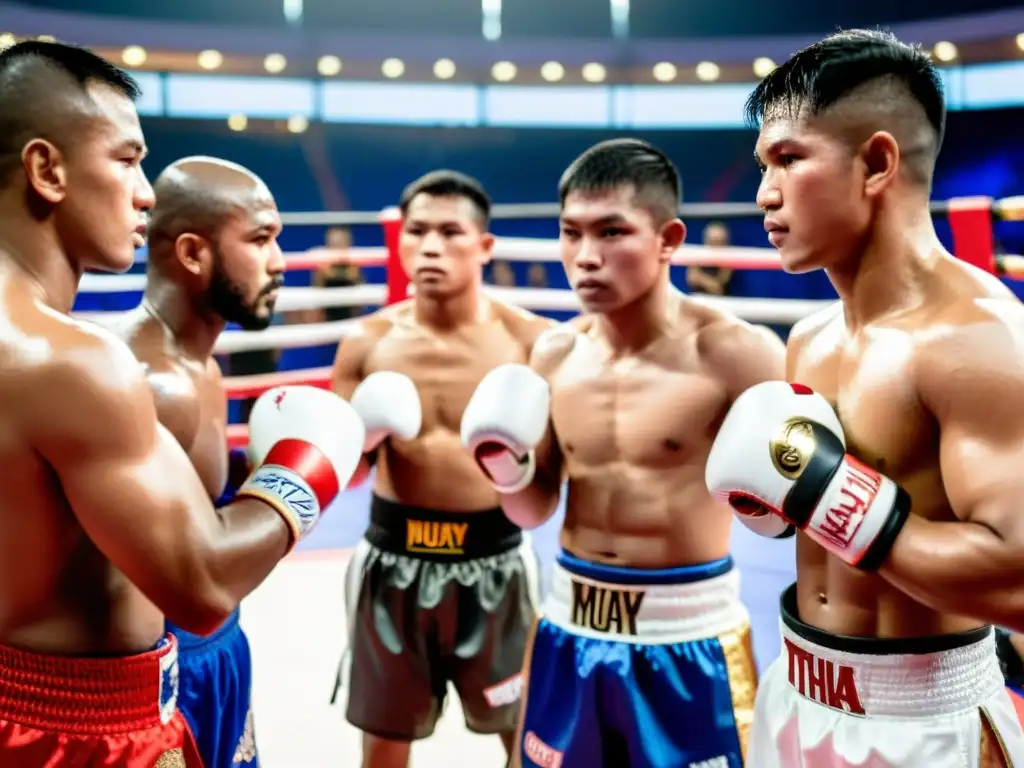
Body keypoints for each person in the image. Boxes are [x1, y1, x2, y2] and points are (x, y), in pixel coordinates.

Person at [0, 40, 363, 766]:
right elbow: (203, 585)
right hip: (81, 726)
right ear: (47, 170)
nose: (144, 192)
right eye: (127, 159)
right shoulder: (75, 360)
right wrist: (309, 463)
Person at [705, 29, 1024, 767]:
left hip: (923, 722)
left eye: (788, 158)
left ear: (877, 163)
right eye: (762, 165)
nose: (764, 194)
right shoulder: (810, 340)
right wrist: (781, 502)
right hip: (797, 688)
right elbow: (813, 532)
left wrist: (829, 496)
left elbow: (1016, 580)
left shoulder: (977, 341)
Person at [461, 138, 787, 768]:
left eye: (612, 232)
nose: (586, 257)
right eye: (570, 233)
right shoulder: (553, 355)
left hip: (686, 632)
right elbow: (532, 510)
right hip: (570, 621)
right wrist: (505, 465)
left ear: (668, 239)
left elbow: (781, 522)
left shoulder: (738, 355)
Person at [330, 169, 552, 768]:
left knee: (527, 735)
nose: (429, 246)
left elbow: (556, 478)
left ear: (484, 245)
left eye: (450, 232)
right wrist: (363, 437)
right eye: (417, 231)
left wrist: (517, 467)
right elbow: (343, 478)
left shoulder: (533, 342)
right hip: (392, 565)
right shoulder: (365, 344)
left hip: (496, 563)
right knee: (382, 744)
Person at [109, 155, 287, 767]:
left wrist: (251, 473)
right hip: (161, 677)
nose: (280, 262)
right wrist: (296, 484)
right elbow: (197, 584)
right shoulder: (153, 385)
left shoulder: (200, 370)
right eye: (261, 239)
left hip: (219, 652)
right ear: (193, 253)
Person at [686, 221, 733, 296]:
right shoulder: (697, 255)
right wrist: (709, 282)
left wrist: (700, 278)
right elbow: (691, 278)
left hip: (720, 301)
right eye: (711, 241)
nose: (714, 245)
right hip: (698, 299)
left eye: (718, 242)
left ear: (724, 242)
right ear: (706, 241)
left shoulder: (729, 258)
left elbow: (718, 287)